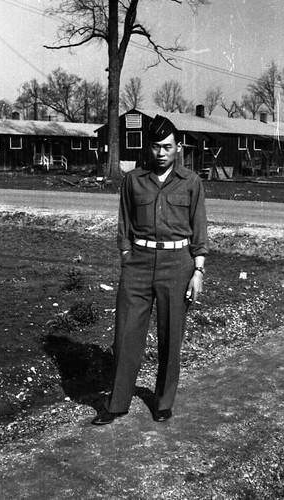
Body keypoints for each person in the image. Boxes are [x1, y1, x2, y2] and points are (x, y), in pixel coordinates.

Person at [92, 114, 208, 425]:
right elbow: (124, 223)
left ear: (178, 148)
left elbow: (199, 230)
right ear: (149, 147)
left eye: (167, 147)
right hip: (138, 264)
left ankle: (163, 401)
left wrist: (197, 271)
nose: (161, 153)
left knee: (171, 336)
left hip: (177, 265)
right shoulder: (133, 180)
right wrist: (127, 255)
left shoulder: (192, 182)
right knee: (126, 333)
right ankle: (117, 403)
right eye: (156, 147)